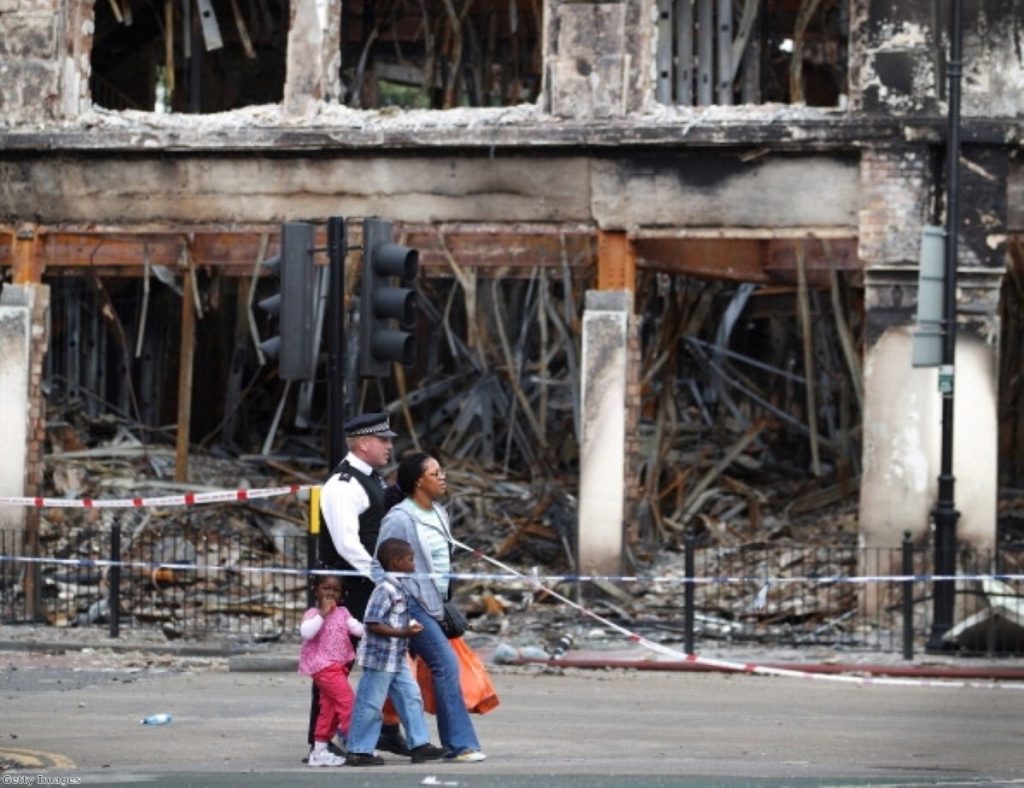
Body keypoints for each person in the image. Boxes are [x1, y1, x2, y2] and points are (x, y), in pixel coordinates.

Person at [375, 452, 487, 763]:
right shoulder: (399, 518)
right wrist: (395, 599)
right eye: (435, 473)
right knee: (445, 665)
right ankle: (460, 745)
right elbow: (378, 564)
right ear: (418, 481)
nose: (442, 477)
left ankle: (356, 734)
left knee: (391, 672)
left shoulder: (439, 514)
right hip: (410, 603)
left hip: (436, 604)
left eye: (441, 472)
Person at [309, 411, 407, 757]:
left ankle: (386, 728)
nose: (389, 446)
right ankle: (320, 740)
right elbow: (347, 543)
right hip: (348, 586)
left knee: (381, 658)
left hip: (366, 584)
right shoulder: (343, 485)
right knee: (333, 666)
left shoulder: (372, 478)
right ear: (364, 444)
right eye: (384, 440)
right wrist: (380, 576)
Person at [346, 538, 446, 767]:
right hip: (381, 658)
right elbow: (372, 622)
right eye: (410, 559)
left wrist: (406, 631)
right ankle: (358, 750)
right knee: (370, 703)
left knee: (411, 697)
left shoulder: (400, 586)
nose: (413, 564)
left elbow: (394, 617)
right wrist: (404, 633)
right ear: (396, 561)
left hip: (396, 656)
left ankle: (419, 745)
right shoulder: (385, 588)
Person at [298, 574, 364, 767]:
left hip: (339, 666)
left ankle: (319, 751)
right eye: (326, 588)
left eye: (335, 590)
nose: (330, 593)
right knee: (348, 704)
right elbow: (306, 633)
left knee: (328, 709)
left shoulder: (343, 613)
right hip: (323, 668)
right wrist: (322, 614)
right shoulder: (313, 614)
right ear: (316, 591)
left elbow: (358, 630)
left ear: (341, 595)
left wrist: (374, 628)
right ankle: (358, 746)